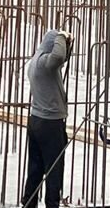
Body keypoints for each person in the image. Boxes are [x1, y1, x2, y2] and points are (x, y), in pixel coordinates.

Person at [22, 29, 73, 208]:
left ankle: (29, 202)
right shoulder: (45, 63)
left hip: (36, 121)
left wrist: (66, 44)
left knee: (35, 168)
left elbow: (61, 57)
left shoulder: (36, 60)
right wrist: (61, 35)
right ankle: (52, 204)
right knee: (54, 169)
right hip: (50, 124)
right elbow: (58, 57)